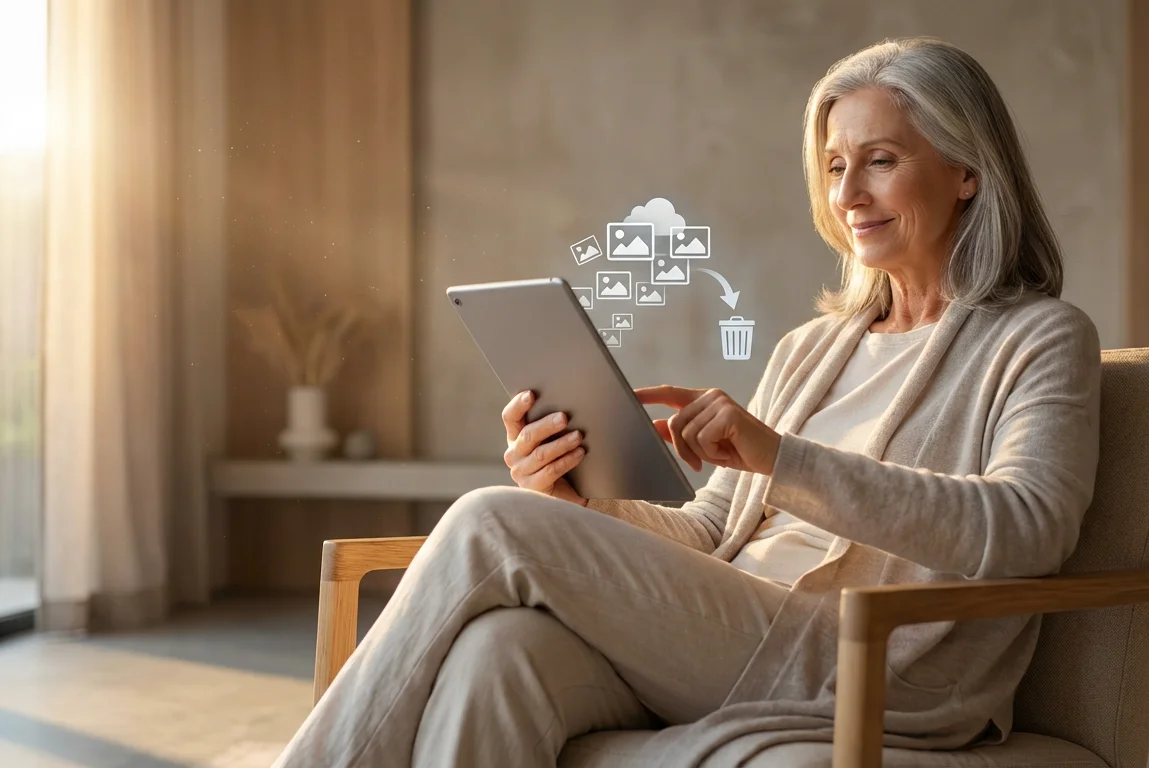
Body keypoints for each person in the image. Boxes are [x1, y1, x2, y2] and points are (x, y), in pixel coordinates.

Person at [273, 36, 1101, 767]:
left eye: (881, 160)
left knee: (489, 523)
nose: (849, 193)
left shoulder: (1038, 338)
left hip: (874, 658)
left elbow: (1028, 529)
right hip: (738, 633)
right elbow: (711, 535)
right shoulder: (813, 349)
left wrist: (782, 458)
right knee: (502, 652)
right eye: (837, 165)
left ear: (967, 171)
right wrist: (583, 506)